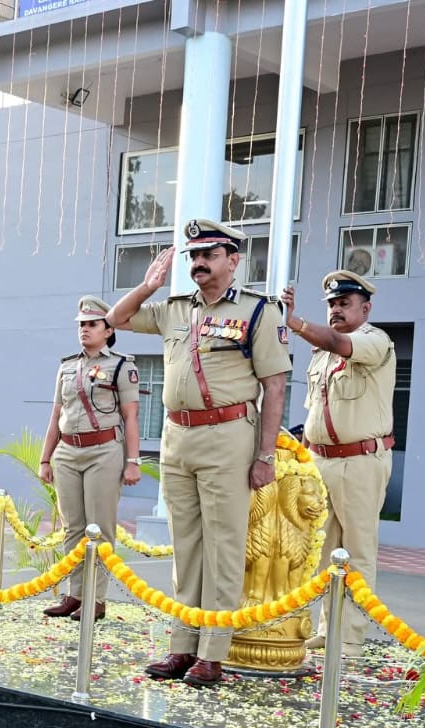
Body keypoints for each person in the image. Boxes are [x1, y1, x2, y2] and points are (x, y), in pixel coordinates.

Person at [105, 219, 290, 688]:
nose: (199, 263)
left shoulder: (257, 311)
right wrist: (148, 286)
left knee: (223, 546)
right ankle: (182, 645)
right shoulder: (174, 309)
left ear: (233, 260)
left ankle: (212, 653)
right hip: (177, 437)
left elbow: (274, 386)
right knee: (185, 546)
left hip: (228, 436)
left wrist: (265, 455)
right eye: (194, 256)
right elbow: (116, 320)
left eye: (210, 255)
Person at [283, 270, 396, 654]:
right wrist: (302, 459)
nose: (336, 310)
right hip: (321, 461)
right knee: (323, 551)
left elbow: (338, 341)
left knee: (358, 552)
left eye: (344, 303)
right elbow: (313, 412)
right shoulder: (321, 355)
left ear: (366, 308)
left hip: (360, 460)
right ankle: (328, 629)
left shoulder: (374, 341)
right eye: (331, 304)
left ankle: (349, 637)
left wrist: (295, 323)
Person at [37, 295, 143, 620]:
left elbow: (131, 416)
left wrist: (133, 461)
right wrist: (45, 459)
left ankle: (96, 599)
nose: (84, 329)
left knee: (99, 528)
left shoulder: (122, 366)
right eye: (81, 324)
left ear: (108, 330)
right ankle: (75, 594)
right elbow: (56, 415)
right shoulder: (67, 366)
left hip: (104, 451)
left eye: (92, 324)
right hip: (67, 452)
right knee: (73, 527)